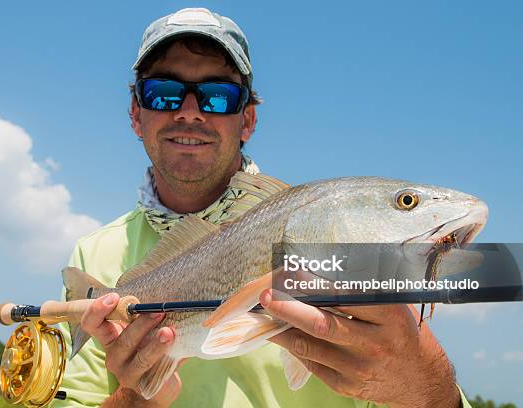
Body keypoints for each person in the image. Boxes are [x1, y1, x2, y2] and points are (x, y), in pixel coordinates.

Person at [50, 7, 471, 408]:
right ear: (136, 115)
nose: (190, 113)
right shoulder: (95, 254)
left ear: (248, 119)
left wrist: (429, 387)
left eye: (218, 96)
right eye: (163, 94)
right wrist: (136, 399)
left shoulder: (362, 268)